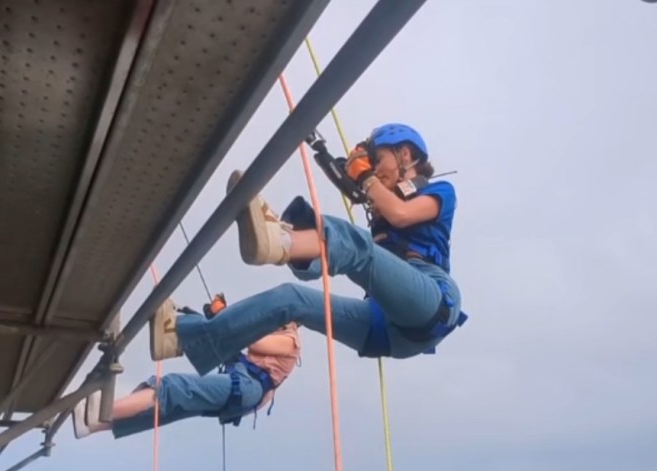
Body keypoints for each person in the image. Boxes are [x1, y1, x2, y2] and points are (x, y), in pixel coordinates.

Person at [149, 123, 465, 376]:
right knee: (291, 299)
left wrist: (366, 178)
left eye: (379, 160)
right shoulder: (384, 201)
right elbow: (384, 206)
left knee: (358, 246)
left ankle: (282, 242)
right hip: (387, 327)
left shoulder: (440, 191)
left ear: (406, 155)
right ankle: (184, 337)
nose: (376, 170)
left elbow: (401, 214)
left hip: (432, 299)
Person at [72, 321, 300, 439]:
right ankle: (93, 425)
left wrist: (226, 321)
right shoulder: (279, 340)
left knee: (175, 388)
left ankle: (104, 412)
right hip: (245, 387)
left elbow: (254, 343)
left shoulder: (290, 340)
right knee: (171, 409)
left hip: (247, 386)